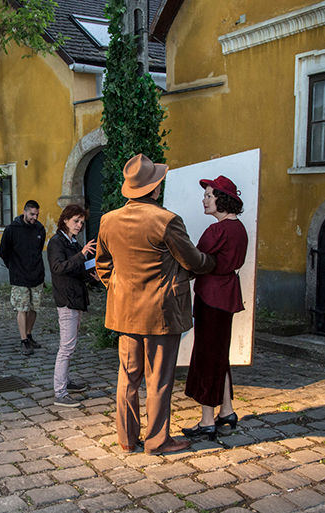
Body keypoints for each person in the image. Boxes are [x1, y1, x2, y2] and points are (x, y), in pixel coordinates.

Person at [96, 154, 216, 455]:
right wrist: (213, 261)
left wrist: (119, 288)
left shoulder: (108, 220)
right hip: (161, 313)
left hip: (125, 313)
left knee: (128, 377)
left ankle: (126, 439)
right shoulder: (166, 220)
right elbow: (194, 260)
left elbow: (102, 265)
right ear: (155, 188)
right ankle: (157, 440)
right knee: (159, 380)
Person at [182, 176, 248, 441]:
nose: (204, 199)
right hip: (228, 294)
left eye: (209, 195)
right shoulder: (239, 228)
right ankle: (227, 411)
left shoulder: (217, 230)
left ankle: (207, 420)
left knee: (206, 355)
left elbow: (195, 261)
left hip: (212, 296)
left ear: (222, 199)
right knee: (219, 353)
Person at [47, 204, 99, 407]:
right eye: (76, 221)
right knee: (66, 347)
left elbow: (76, 270)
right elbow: (58, 268)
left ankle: (65, 382)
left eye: (82, 222)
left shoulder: (72, 242)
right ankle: (59, 392)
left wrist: (93, 273)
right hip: (66, 299)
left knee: (71, 345)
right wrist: (82, 255)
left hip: (76, 297)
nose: (79, 225)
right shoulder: (56, 242)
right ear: (65, 220)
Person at [0, 200, 46, 356]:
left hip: (37, 275)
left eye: (37, 214)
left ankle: (29, 334)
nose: (35, 217)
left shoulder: (39, 229)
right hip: (19, 276)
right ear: (24, 212)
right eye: (32, 214)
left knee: (34, 308)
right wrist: (13, 267)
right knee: (22, 308)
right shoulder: (12, 230)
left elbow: (39, 250)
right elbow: (3, 252)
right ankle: (23, 340)